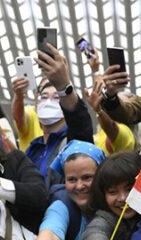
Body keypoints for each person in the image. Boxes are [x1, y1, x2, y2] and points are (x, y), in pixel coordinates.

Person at [12, 141, 106, 240]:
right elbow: (52, 229)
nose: (79, 186)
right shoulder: (61, 205)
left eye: (87, 177)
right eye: (72, 179)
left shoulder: (116, 202)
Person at [12, 43, 93, 185]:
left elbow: (80, 120)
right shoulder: (32, 149)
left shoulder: (73, 142)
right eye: (43, 96)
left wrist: (64, 85)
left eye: (56, 97)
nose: (48, 101)